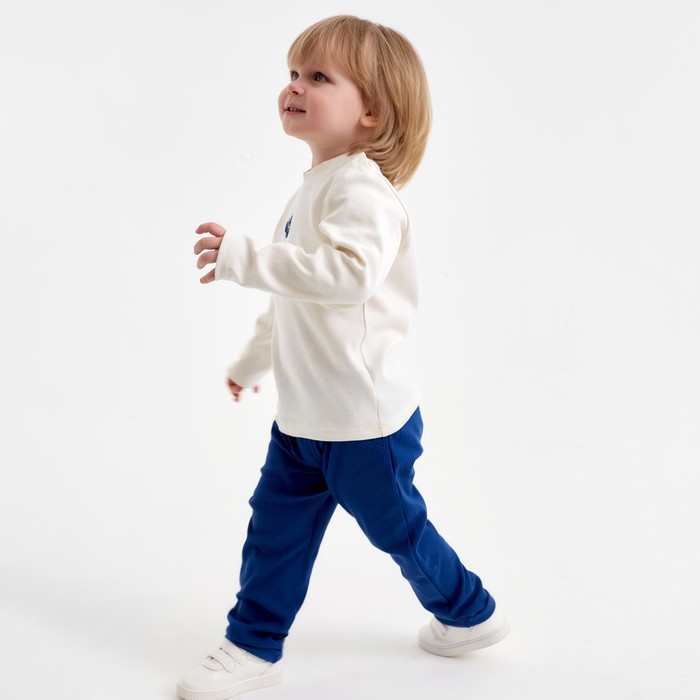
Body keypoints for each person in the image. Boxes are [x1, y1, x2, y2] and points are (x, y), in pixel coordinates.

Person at [177, 15, 509, 700]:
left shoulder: (364, 191)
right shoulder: (311, 190)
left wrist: (244, 257)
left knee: (400, 533)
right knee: (274, 534)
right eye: (293, 74)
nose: (294, 87)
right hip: (303, 422)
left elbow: (347, 277)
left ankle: (470, 613)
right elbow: (292, 300)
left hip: (364, 426)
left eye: (319, 77)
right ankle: (252, 645)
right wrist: (251, 362)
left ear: (373, 112)